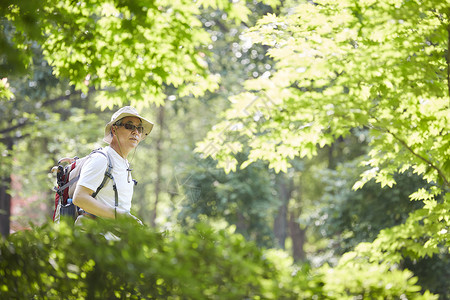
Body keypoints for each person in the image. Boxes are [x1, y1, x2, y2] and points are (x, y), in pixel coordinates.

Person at [72, 106, 153, 224]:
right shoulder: (101, 159)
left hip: (116, 240)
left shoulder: (124, 164)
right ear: (114, 130)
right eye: (129, 126)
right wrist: (120, 216)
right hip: (95, 238)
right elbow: (79, 197)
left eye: (139, 128)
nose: (135, 132)